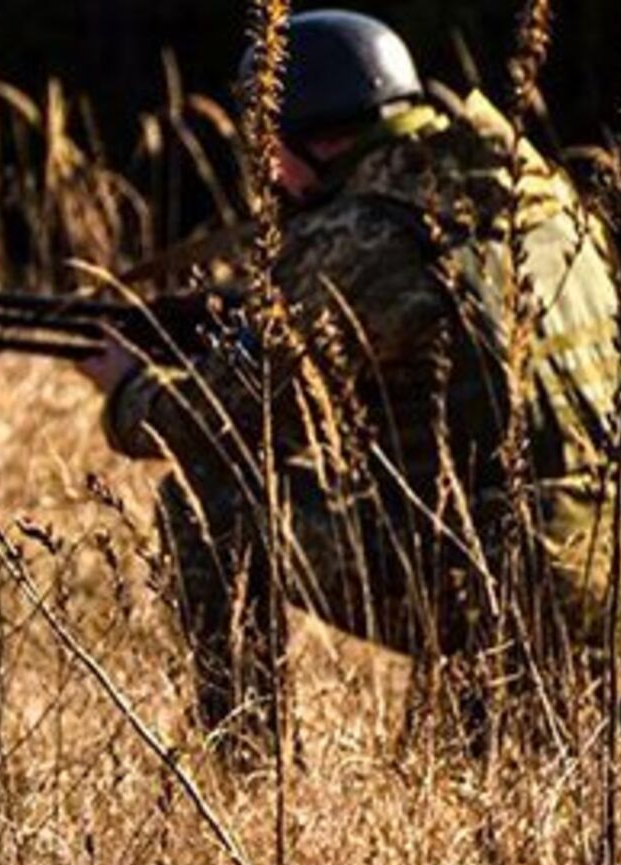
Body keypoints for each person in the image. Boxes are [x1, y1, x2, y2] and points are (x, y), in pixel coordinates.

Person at [74, 10, 619, 756]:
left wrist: (131, 389)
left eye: (270, 149)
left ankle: (247, 765)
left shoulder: (362, 231)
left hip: (502, 580)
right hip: (600, 565)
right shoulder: (526, 192)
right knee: (499, 763)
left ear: (309, 139)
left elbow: (232, 419)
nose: (267, 173)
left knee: (205, 503)